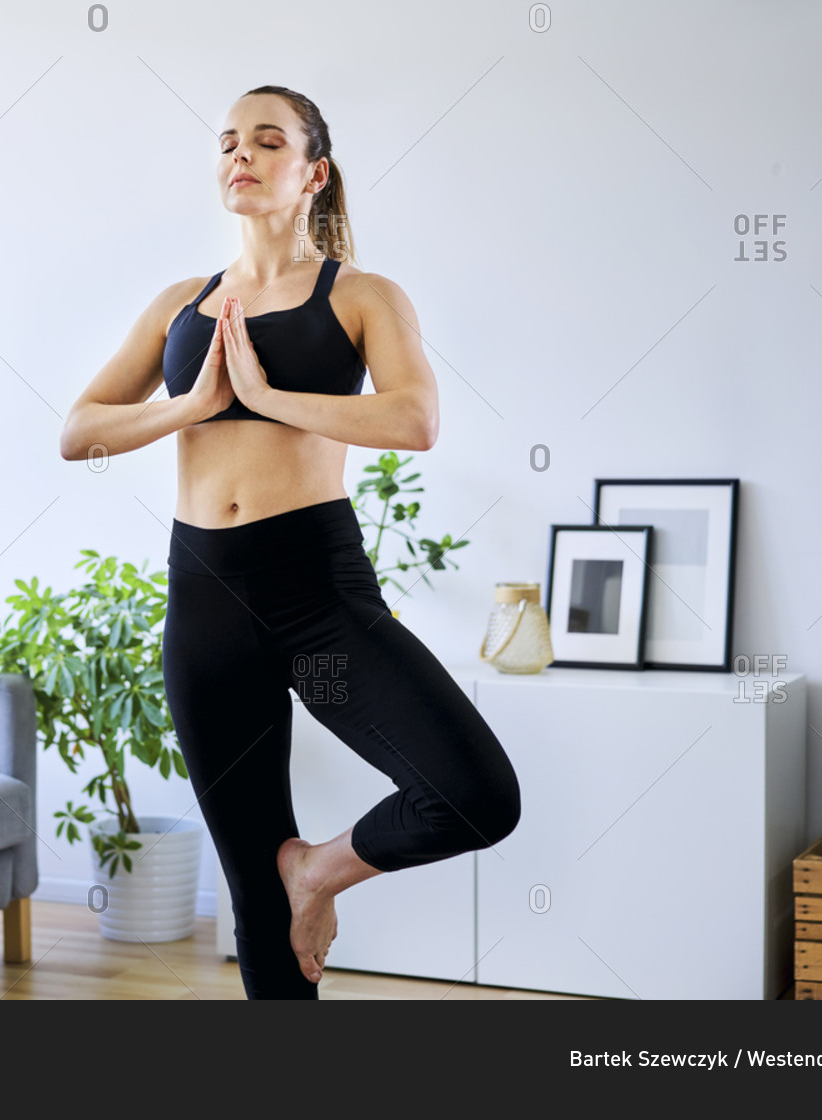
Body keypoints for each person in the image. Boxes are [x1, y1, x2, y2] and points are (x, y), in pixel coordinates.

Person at [59, 85, 520, 999]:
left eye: (267, 141)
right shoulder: (179, 308)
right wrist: (189, 407)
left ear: (314, 171)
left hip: (317, 605)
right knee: (252, 903)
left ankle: (320, 869)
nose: (241, 154)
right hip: (205, 605)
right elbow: (79, 430)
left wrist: (266, 399)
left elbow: (414, 418)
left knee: (471, 792)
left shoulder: (360, 295)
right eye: (229, 141)